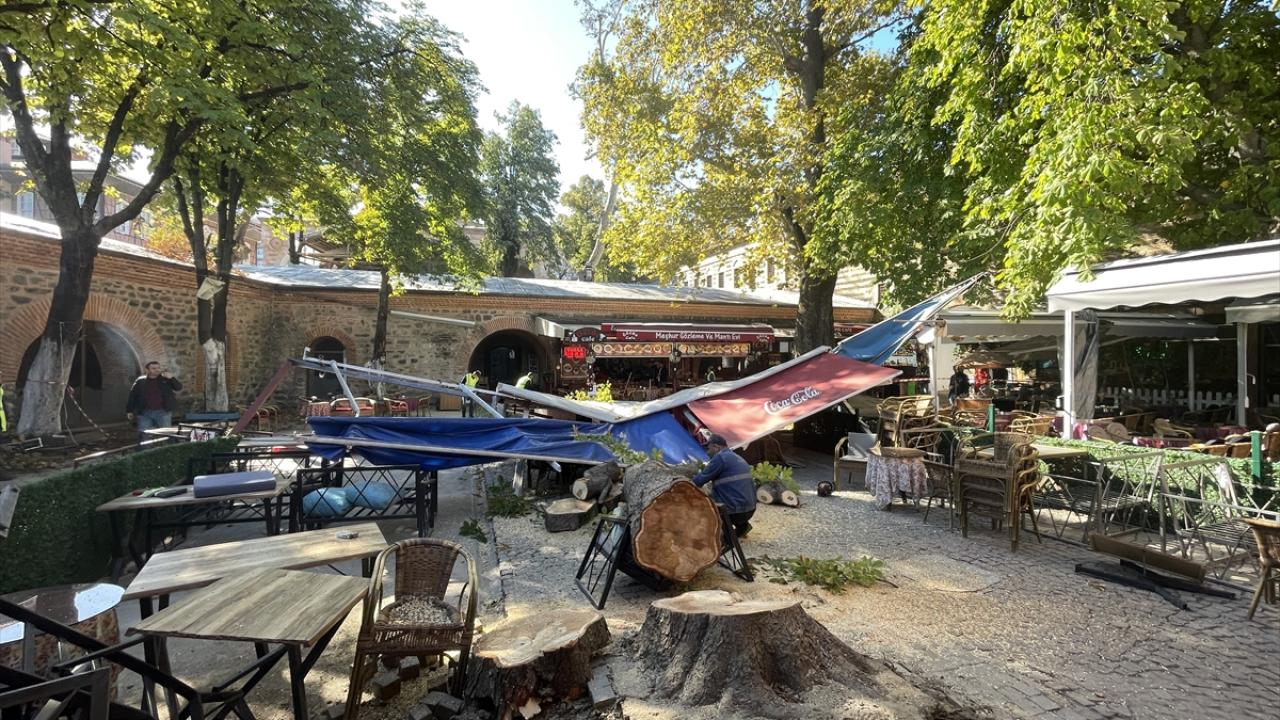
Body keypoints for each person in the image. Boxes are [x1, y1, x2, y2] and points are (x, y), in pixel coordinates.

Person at [691, 433, 757, 538]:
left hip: (734, 512)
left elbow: (699, 481)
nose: (707, 452)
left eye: (709, 449)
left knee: (704, 504)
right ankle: (742, 527)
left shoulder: (720, 458)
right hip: (750, 508)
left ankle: (725, 537)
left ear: (716, 447)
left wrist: (685, 482)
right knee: (726, 494)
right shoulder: (737, 457)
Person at [126, 361, 182, 438]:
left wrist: (172, 378)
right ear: (147, 370)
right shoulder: (140, 381)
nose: (157, 370)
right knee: (144, 435)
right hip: (145, 413)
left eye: (158, 368)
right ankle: (146, 446)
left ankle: (166, 446)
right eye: (153, 368)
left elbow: (178, 387)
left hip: (163, 412)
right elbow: (133, 396)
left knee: (166, 435)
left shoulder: (165, 379)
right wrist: (129, 410)